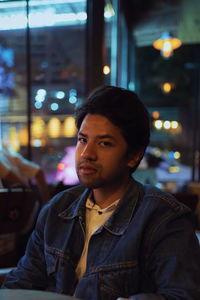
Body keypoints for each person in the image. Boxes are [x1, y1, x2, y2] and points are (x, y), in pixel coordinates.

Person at [2, 86, 200, 300]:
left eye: (104, 143)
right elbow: (21, 283)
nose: (87, 154)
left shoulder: (163, 218)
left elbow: (182, 296)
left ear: (133, 156)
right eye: (82, 140)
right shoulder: (57, 210)